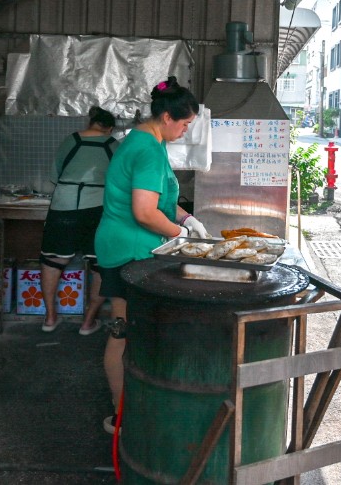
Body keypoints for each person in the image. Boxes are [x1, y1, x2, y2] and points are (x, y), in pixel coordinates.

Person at [93, 76, 209, 435]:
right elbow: (144, 212)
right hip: (128, 249)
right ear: (168, 117)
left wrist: (187, 218)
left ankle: (133, 403)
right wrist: (181, 235)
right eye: (186, 124)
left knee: (128, 328)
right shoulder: (145, 148)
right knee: (122, 330)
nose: (187, 131)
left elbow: (161, 201)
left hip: (130, 246)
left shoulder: (150, 141)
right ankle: (121, 415)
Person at [39, 106, 117, 335]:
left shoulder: (71, 141)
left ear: (90, 122)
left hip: (64, 207)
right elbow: (119, 181)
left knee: (52, 262)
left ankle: (50, 318)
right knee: (100, 267)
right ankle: (87, 322)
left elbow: (54, 176)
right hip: (98, 209)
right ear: (109, 127)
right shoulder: (113, 145)